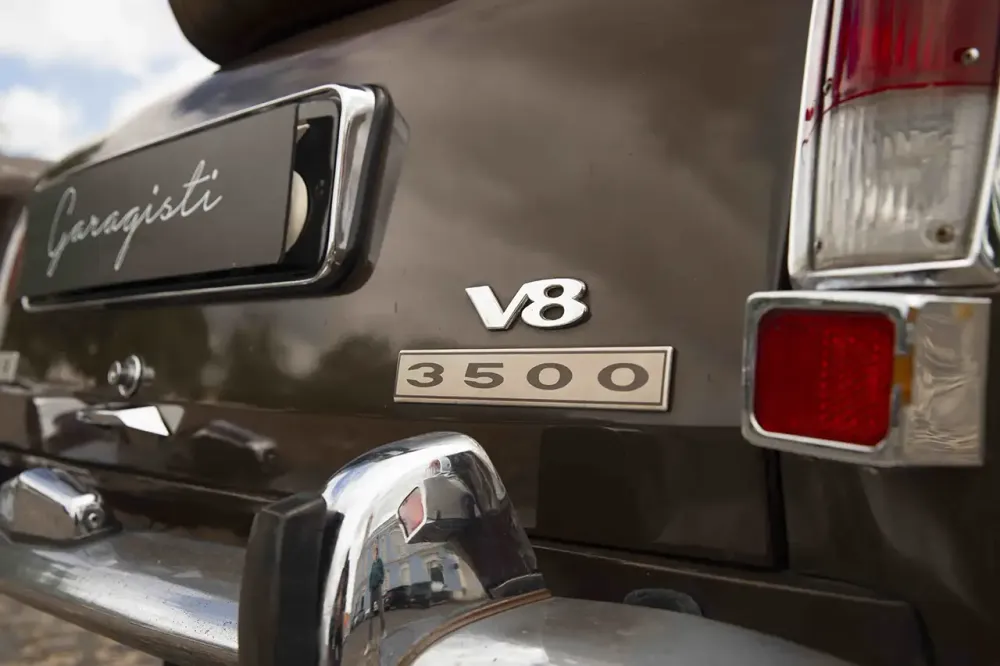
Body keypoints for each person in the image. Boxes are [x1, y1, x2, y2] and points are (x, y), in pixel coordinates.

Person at [364, 544, 387, 655]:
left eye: (375, 552)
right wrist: (370, 587)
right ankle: (369, 642)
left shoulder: (379, 562)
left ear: (377, 553)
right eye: (373, 553)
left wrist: (380, 582)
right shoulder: (373, 565)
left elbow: (382, 573)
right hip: (372, 590)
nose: (374, 555)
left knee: (381, 611)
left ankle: (383, 631)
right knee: (371, 616)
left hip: (377, 588)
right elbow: (370, 578)